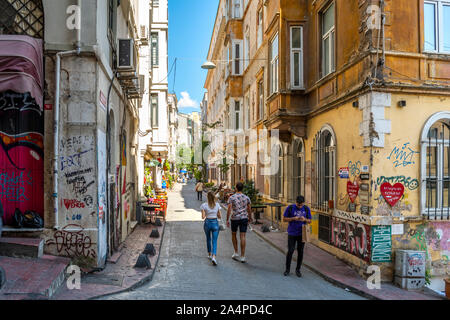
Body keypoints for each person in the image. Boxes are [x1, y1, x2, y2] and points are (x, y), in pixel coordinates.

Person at [282, 195, 312, 277]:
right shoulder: (290, 208)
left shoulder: (306, 208)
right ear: (296, 202)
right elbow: (284, 219)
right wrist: (293, 218)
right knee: (290, 251)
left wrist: (304, 219)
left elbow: (309, 221)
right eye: (298, 205)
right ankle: (287, 269)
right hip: (292, 232)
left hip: (302, 233)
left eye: (301, 205)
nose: (300, 206)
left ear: (303, 203)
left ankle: (298, 270)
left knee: (300, 251)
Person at [226, 182, 252, 263]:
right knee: (243, 236)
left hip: (235, 218)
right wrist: (250, 217)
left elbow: (229, 209)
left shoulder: (232, 197)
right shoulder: (246, 197)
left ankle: (236, 252)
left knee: (234, 234)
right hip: (244, 218)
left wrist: (227, 219)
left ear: (236, 188)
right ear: (242, 188)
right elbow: (249, 209)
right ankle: (243, 256)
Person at [201, 191, 222, 266]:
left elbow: (203, 217)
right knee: (214, 241)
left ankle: (209, 254)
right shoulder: (217, 205)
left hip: (207, 223)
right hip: (215, 223)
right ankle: (213, 257)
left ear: (207, 197)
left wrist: (206, 213)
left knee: (208, 239)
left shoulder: (204, 205)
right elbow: (219, 216)